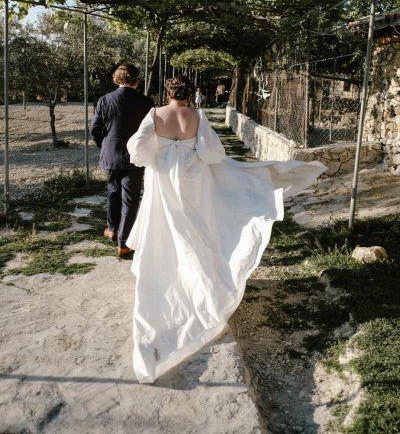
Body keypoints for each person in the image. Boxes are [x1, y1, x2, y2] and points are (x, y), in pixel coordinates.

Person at [125, 75, 325, 383]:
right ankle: (204, 281)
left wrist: (161, 155)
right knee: (196, 229)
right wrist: (188, 152)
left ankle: (166, 268)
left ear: (167, 92)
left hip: (163, 179)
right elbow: (212, 153)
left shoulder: (154, 114)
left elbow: (137, 151)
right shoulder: (197, 115)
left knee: (164, 227)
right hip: (193, 181)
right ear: (189, 94)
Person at [90, 64, 153, 258]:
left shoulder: (104, 100)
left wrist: (104, 145)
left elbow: (95, 129)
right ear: (136, 79)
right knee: (130, 199)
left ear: (116, 78)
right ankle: (124, 243)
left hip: (111, 153)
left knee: (113, 191)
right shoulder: (145, 102)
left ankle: (112, 229)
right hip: (134, 156)